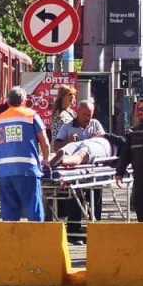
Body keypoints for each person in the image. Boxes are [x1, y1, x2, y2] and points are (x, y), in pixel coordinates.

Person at [0, 87, 51, 222]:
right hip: (27, 170)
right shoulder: (31, 116)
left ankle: (12, 242)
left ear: (8, 102)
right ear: (24, 101)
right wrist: (46, 160)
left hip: (4, 173)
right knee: (34, 211)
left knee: (9, 216)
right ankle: (36, 240)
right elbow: (45, 142)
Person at [53, 99, 106, 242]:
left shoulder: (95, 125)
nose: (87, 118)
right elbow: (56, 145)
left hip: (93, 168)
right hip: (75, 170)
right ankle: (73, 230)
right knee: (75, 196)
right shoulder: (68, 126)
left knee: (95, 194)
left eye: (90, 115)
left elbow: (103, 141)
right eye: (84, 115)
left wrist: (96, 140)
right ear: (78, 113)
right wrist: (68, 142)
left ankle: (95, 227)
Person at [49, 133, 127, 167]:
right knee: (81, 155)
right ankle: (63, 160)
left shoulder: (122, 140)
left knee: (64, 150)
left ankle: (44, 159)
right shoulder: (127, 144)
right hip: (104, 147)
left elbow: (105, 135)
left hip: (93, 141)